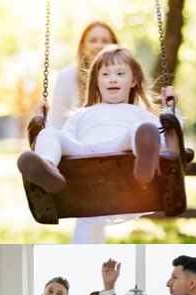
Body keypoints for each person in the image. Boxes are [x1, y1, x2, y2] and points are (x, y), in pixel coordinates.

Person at [18, 45, 181, 241]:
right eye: (105, 74)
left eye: (120, 73)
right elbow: (64, 141)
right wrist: (43, 124)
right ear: (96, 80)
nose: (112, 79)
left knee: (142, 130)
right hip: (85, 153)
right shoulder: (82, 114)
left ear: (133, 81)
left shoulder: (139, 113)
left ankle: (144, 164)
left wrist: (170, 109)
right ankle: (48, 168)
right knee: (49, 135)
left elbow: (168, 136)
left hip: (122, 149)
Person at [48, 21, 120, 243]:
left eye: (105, 40)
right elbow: (56, 122)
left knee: (93, 215)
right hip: (76, 156)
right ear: (82, 46)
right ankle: (47, 167)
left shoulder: (121, 77)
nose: (99, 45)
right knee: (93, 213)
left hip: (113, 157)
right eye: (93, 40)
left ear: (115, 46)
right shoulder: (67, 77)